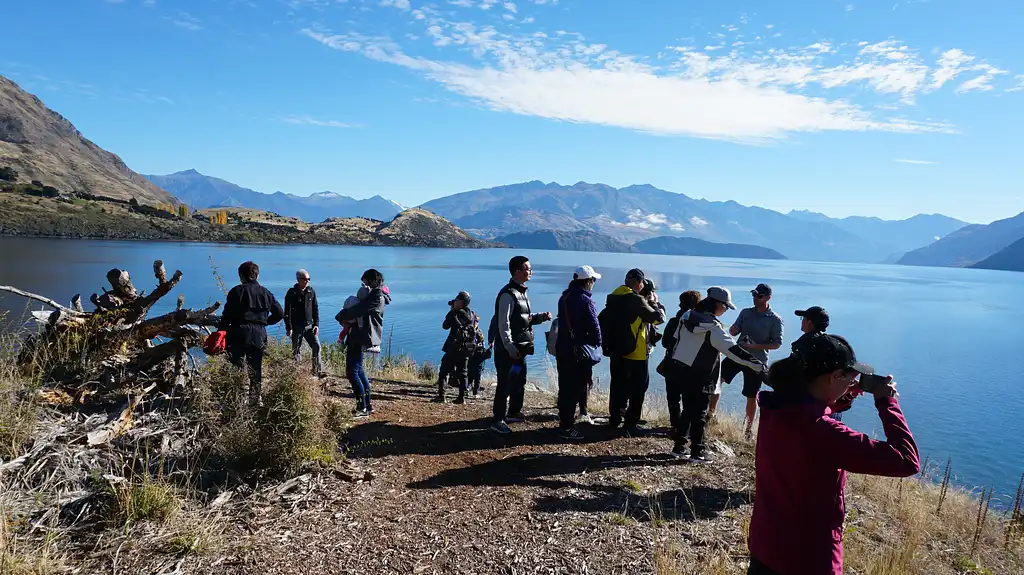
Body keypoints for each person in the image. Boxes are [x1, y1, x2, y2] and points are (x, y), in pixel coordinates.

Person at [748, 333, 920, 575]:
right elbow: (906, 461)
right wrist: (887, 403)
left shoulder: (773, 407)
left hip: (766, 547)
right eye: (849, 379)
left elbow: (804, 407)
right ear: (834, 377)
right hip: (809, 559)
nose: (852, 384)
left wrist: (842, 395)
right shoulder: (825, 433)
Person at [663, 287, 764, 462]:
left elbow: (674, 339)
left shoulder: (687, 316)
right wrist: (758, 366)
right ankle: (698, 452)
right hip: (701, 374)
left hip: (680, 369)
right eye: (725, 306)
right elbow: (732, 350)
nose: (725, 310)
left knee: (687, 410)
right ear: (717, 304)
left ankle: (679, 447)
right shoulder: (713, 327)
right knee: (700, 413)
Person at [490, 255, 552, 434]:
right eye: (527, 268)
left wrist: (540, 317)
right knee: (505, 384)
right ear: (517, 271)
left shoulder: (522, 292)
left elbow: (524, 319)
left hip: (520, 349)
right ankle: (498, 419)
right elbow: (504, 324)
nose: (530, 271)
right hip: (509, 351)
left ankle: (514, 413)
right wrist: (510, 347)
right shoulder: (508, 294)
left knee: (519, 380)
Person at [601, 268, 666, 436]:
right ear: (639, 283)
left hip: (616, 349)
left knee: (617, 385)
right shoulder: (636, 300)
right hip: (635, 352)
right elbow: (657, 318)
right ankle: (631, 423)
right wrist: (654, 303)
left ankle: (615, 418)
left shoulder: (614, 296)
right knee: (638, 388)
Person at [219, 261, 284, 407]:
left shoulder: (236, 291)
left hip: (238, 332)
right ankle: (255, 401)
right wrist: (264, 322)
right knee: (256, 368)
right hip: (258, 334)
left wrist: (221, 332)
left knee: (237, 366)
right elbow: (280, 314)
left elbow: (226, 316)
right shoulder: (266, 293)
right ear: (257, 275)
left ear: (241, 276)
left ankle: (238, 400)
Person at [725, 283, 784, 437]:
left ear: (768, 298)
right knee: (716, 379)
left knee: (752, 395)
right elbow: (734, 329)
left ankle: (748, 430)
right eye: (754, 295)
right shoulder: (745, 313)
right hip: (737, 354)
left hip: (757, 361)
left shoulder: (775, 319)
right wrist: (733, 330)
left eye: (759, 296)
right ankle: (710, 415)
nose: (755, 298)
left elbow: (777, 344)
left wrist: (756, 345)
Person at [554, 265, 603, 441]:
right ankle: (567, 428)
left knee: (565, 386)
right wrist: (597, 344)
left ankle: (564, 420)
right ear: (588, 282)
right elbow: (595, 327)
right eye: (593, 280)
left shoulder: (564, 297)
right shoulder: (586, 300)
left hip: (563, 348)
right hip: (578, 351)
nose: (594, 283)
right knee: (574, 388)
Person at [335, 269, 391, 417]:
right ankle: (368, 405)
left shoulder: (376, 296)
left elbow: (359, 309)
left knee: (352, 372)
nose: (363, 285)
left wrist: (341, 315)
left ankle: (362, 407)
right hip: (360, 334)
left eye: (364, 282)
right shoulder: (375, 294)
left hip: (361, 336)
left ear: (372, 281)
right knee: (358, 370)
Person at [660, 290, 702, 428]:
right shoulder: (698, 325)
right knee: (688, 399)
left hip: (672, 364)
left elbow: (665, 342)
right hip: (690, 366)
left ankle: (675, 425)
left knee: (673, 398)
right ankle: (685, 428)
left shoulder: (673, 322)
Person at [435, 291, 478, 404]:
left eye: (457, 300)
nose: (454, 301)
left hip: (454, 347)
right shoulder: (471, 314)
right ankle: (461, 397)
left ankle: (441, 395)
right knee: (463, 373)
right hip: (467, 348)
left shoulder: (456, 313)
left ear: (461, 302)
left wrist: (452, 312)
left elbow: (445, 326)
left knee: (444, 371)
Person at [284, 269, 323, 377]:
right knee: (296, 350)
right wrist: (289, 327)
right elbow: (287, 311)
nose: (307, 281)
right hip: (297, 327)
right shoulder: (291, 293)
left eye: (308, 279)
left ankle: (317, 372)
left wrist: (316, 325)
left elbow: (315, 308)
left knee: (317, 346)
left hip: (310, 326)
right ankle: (298, 373)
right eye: (305, 279)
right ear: (298, 279)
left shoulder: (311, 291)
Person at [468, 317, 490, 398]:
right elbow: (469, 346)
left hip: (478, 356)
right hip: (473, 356)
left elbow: (482, 343)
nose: (476, 323)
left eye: (477, 321)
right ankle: (470, 390)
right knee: (472, 375)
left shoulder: (478, 332)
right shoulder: (470, 332)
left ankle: (473, 391)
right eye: (475, 321)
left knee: (475, 375)